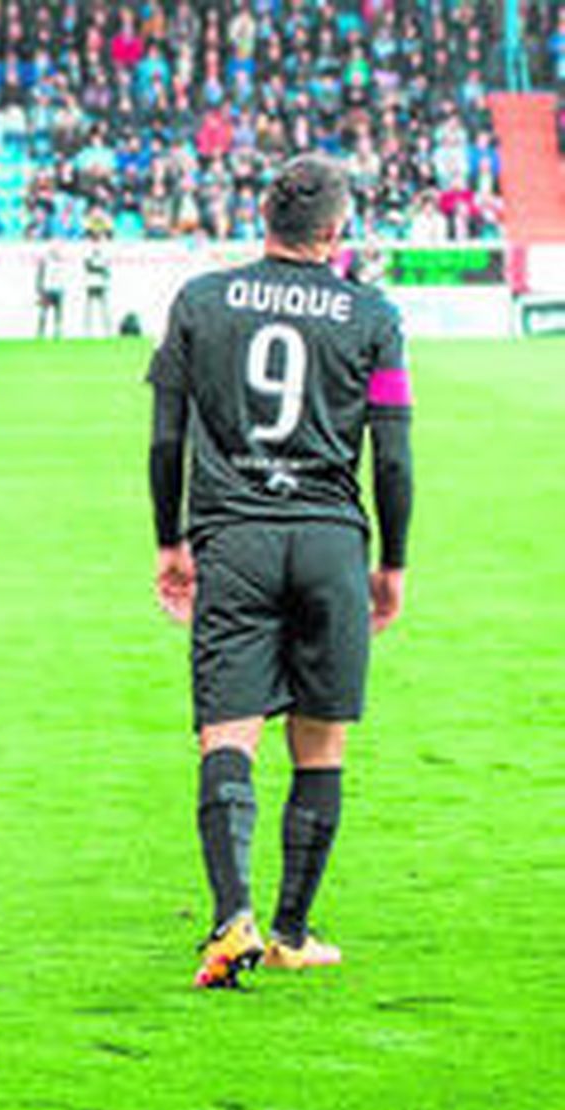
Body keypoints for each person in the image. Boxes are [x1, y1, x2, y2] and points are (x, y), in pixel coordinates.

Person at [148, 155, 413, 989]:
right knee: (320, 742)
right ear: (335, 231)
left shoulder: (200, 299)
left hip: (235, 537)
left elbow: (166, 438)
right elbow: (394, 454)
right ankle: (293, 930)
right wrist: (392, 561)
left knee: (227, 732)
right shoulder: (372, 313)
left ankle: (233, 922)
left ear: (266, 220)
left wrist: (170, 540)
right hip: (332, 541)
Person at [82, 234, 112, 336]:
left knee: (104, 307)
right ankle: (87, 330)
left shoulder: (104, 254)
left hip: (101, 283)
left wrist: (100, 268)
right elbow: (88, 266)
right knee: (89, 308)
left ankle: (107, 330)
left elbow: (106, 269)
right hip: (91, 282)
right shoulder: (88, 253)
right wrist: (100, 267)